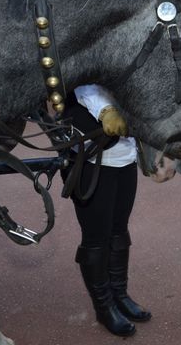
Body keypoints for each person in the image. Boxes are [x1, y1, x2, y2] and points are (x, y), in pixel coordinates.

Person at [62, 84, 151, 337]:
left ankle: (120, 295)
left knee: (119, 231)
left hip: (126, 153)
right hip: (91, 156)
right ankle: (104, 306)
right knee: (96, 238)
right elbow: (81, 82)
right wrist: (105, 110)